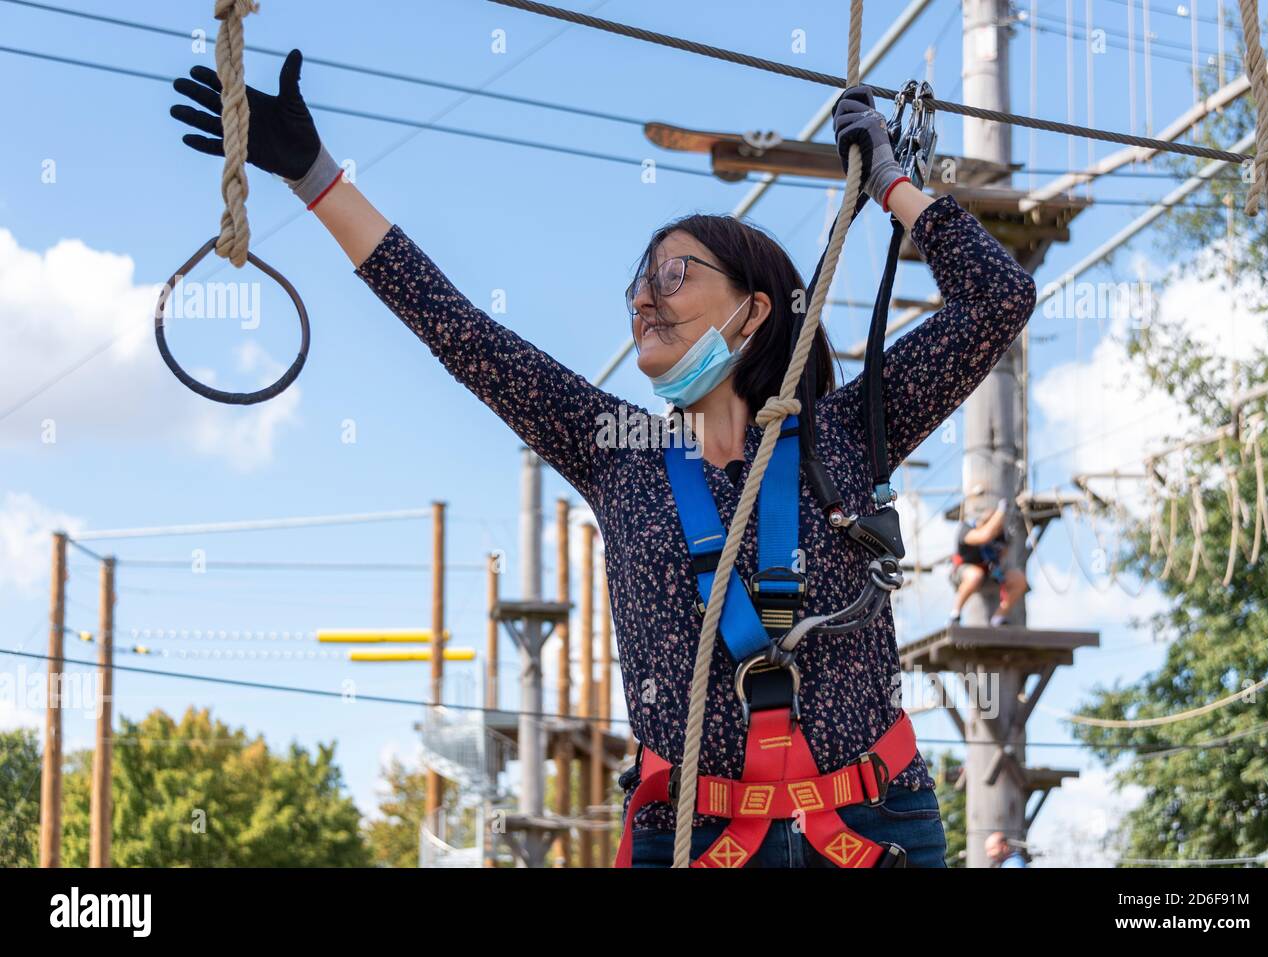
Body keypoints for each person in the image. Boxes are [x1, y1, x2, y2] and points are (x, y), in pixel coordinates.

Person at [169, 53, 1037, 868]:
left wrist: (891, 182)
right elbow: (459, 329)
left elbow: (1001, 296)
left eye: (674, 276)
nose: (643, 300)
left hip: (868, 821)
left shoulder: (848, 433)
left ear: (753, 312)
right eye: (637, 286)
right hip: (693, 831)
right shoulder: (617, 450)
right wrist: (313, 175)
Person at [949, 497, 1028, 627]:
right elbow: (985, 535)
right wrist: (1001, 511)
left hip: (989, 572)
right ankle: (955, 613)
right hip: (965, 572)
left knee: (1019, 579)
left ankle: (999, 616)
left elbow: (1002, 554)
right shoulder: (966, 529)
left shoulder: (1000, 535)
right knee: (975, 575)